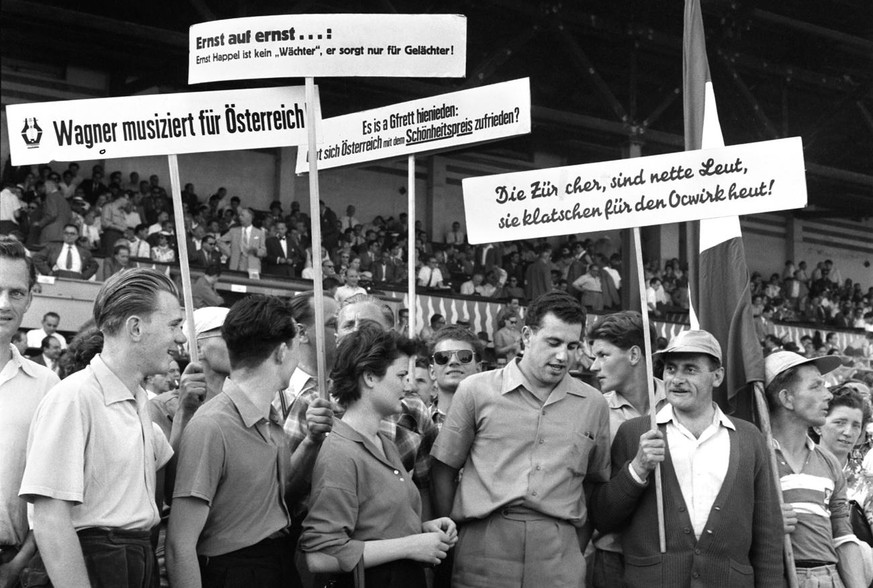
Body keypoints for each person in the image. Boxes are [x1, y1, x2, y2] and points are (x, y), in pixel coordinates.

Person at [431, 290, 610, 587]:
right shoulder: (476, 390)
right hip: (483, 548)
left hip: (559, 554)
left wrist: (571, 548)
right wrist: (454, 533)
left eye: (573, 345)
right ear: (526, 336)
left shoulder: (593, 403)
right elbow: (443, 469)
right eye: (553, 342)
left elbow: (594, 482)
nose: (563, 355)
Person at [20, 268, 182, 587]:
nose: (180, 338)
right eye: (174, 325)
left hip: (133, 560)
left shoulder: (136, 399)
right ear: (135, 327)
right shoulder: (73, 398)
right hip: (92, 562)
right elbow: (50, 519)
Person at [590, 330, 784, 587]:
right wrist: (637, 469)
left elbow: (767, 533)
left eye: (690, 370)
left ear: (717, 376)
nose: (677, 379)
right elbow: (603, 518)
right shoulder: (636, 433)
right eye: (671, 369)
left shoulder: (750, 438)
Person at [167, 295, 333, 588]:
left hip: (277, 563)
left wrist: (310, 442)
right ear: (282, 352)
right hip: (235, 570)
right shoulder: (211, 426)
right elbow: (180, 545)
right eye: (296, 346)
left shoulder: (271, 418)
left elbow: (272, 499)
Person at [300, 323, 457, 586]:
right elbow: (320, 555)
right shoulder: (341, 452)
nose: (408, 386)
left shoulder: (383, 442)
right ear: (370, 377)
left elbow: (375, 527)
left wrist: (421, 530)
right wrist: (410, 545)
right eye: (400, 375)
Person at [765, 350, 867, 587]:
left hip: (829, 578)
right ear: (786, 398)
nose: (827, 395)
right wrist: (765, 522)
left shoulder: (828, 461)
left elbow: (841, 533)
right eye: (816, 386)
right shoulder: (756, 455)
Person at [584, 311, 666, 586]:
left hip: (671, 554)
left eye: (603, 355)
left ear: (633, 355)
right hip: (612, 555)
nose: (594, 366)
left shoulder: (678, 404)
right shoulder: (595, 413)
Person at [0, 237, 60, 587]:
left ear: (31, 299)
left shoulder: (47, 386)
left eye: (16, 293)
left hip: (11, 566)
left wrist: (18, 565)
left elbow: (53, 490)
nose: (3, 304)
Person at [429, 324, 484, 429]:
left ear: (479, 369)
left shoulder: (492, 422)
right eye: (443, 357)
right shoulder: (417, 422)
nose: (453, 362)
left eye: (464, 356)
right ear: (432, 372)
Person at [32, 223, 99, 280]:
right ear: (63, 234)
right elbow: (37, 258)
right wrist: (49, 272)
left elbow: (94, 265)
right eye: (66, 233)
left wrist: (84, 277)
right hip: (57, 277)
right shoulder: (53, 247)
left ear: (77, 236)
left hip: (77, 278)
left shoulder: (84, 251)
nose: (69, 235)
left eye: (72, 234)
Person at [217, 208, 266, 273]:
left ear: (250, 217)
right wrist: (230, 253)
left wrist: (256, 251)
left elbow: (264, 251)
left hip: (253, 265)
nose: (239, 217)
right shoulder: (233, 231)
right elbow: (220, 241)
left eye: (242, 215)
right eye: (239, 215)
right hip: (236, 264)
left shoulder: (259, 233)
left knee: (251, 283)